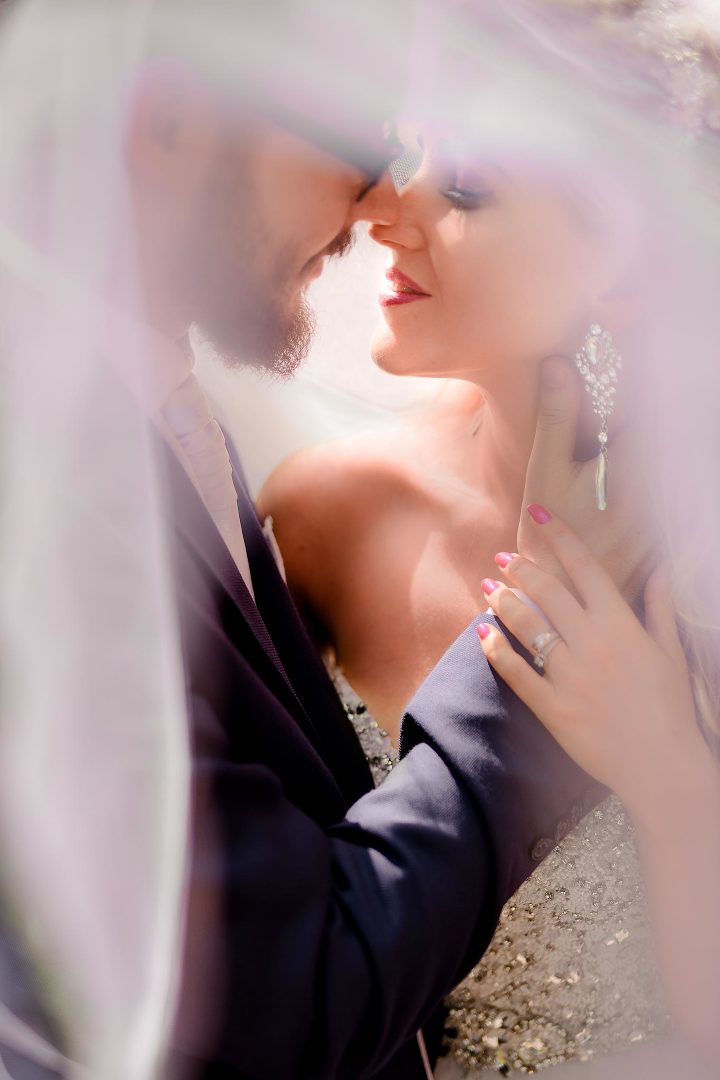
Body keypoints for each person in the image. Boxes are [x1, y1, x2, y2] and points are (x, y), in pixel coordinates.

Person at [0, 2, 637, 1077]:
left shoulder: (158, 418)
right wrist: (536, 642)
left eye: (459, 170)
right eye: (355, 134)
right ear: (167, 125)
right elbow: (282, 1001)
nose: (374, 196)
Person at [260, 2, 720, 1074]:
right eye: (409, 155)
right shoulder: (325, 516)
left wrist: (670, 775)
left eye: (464, 184)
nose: (383, 207)